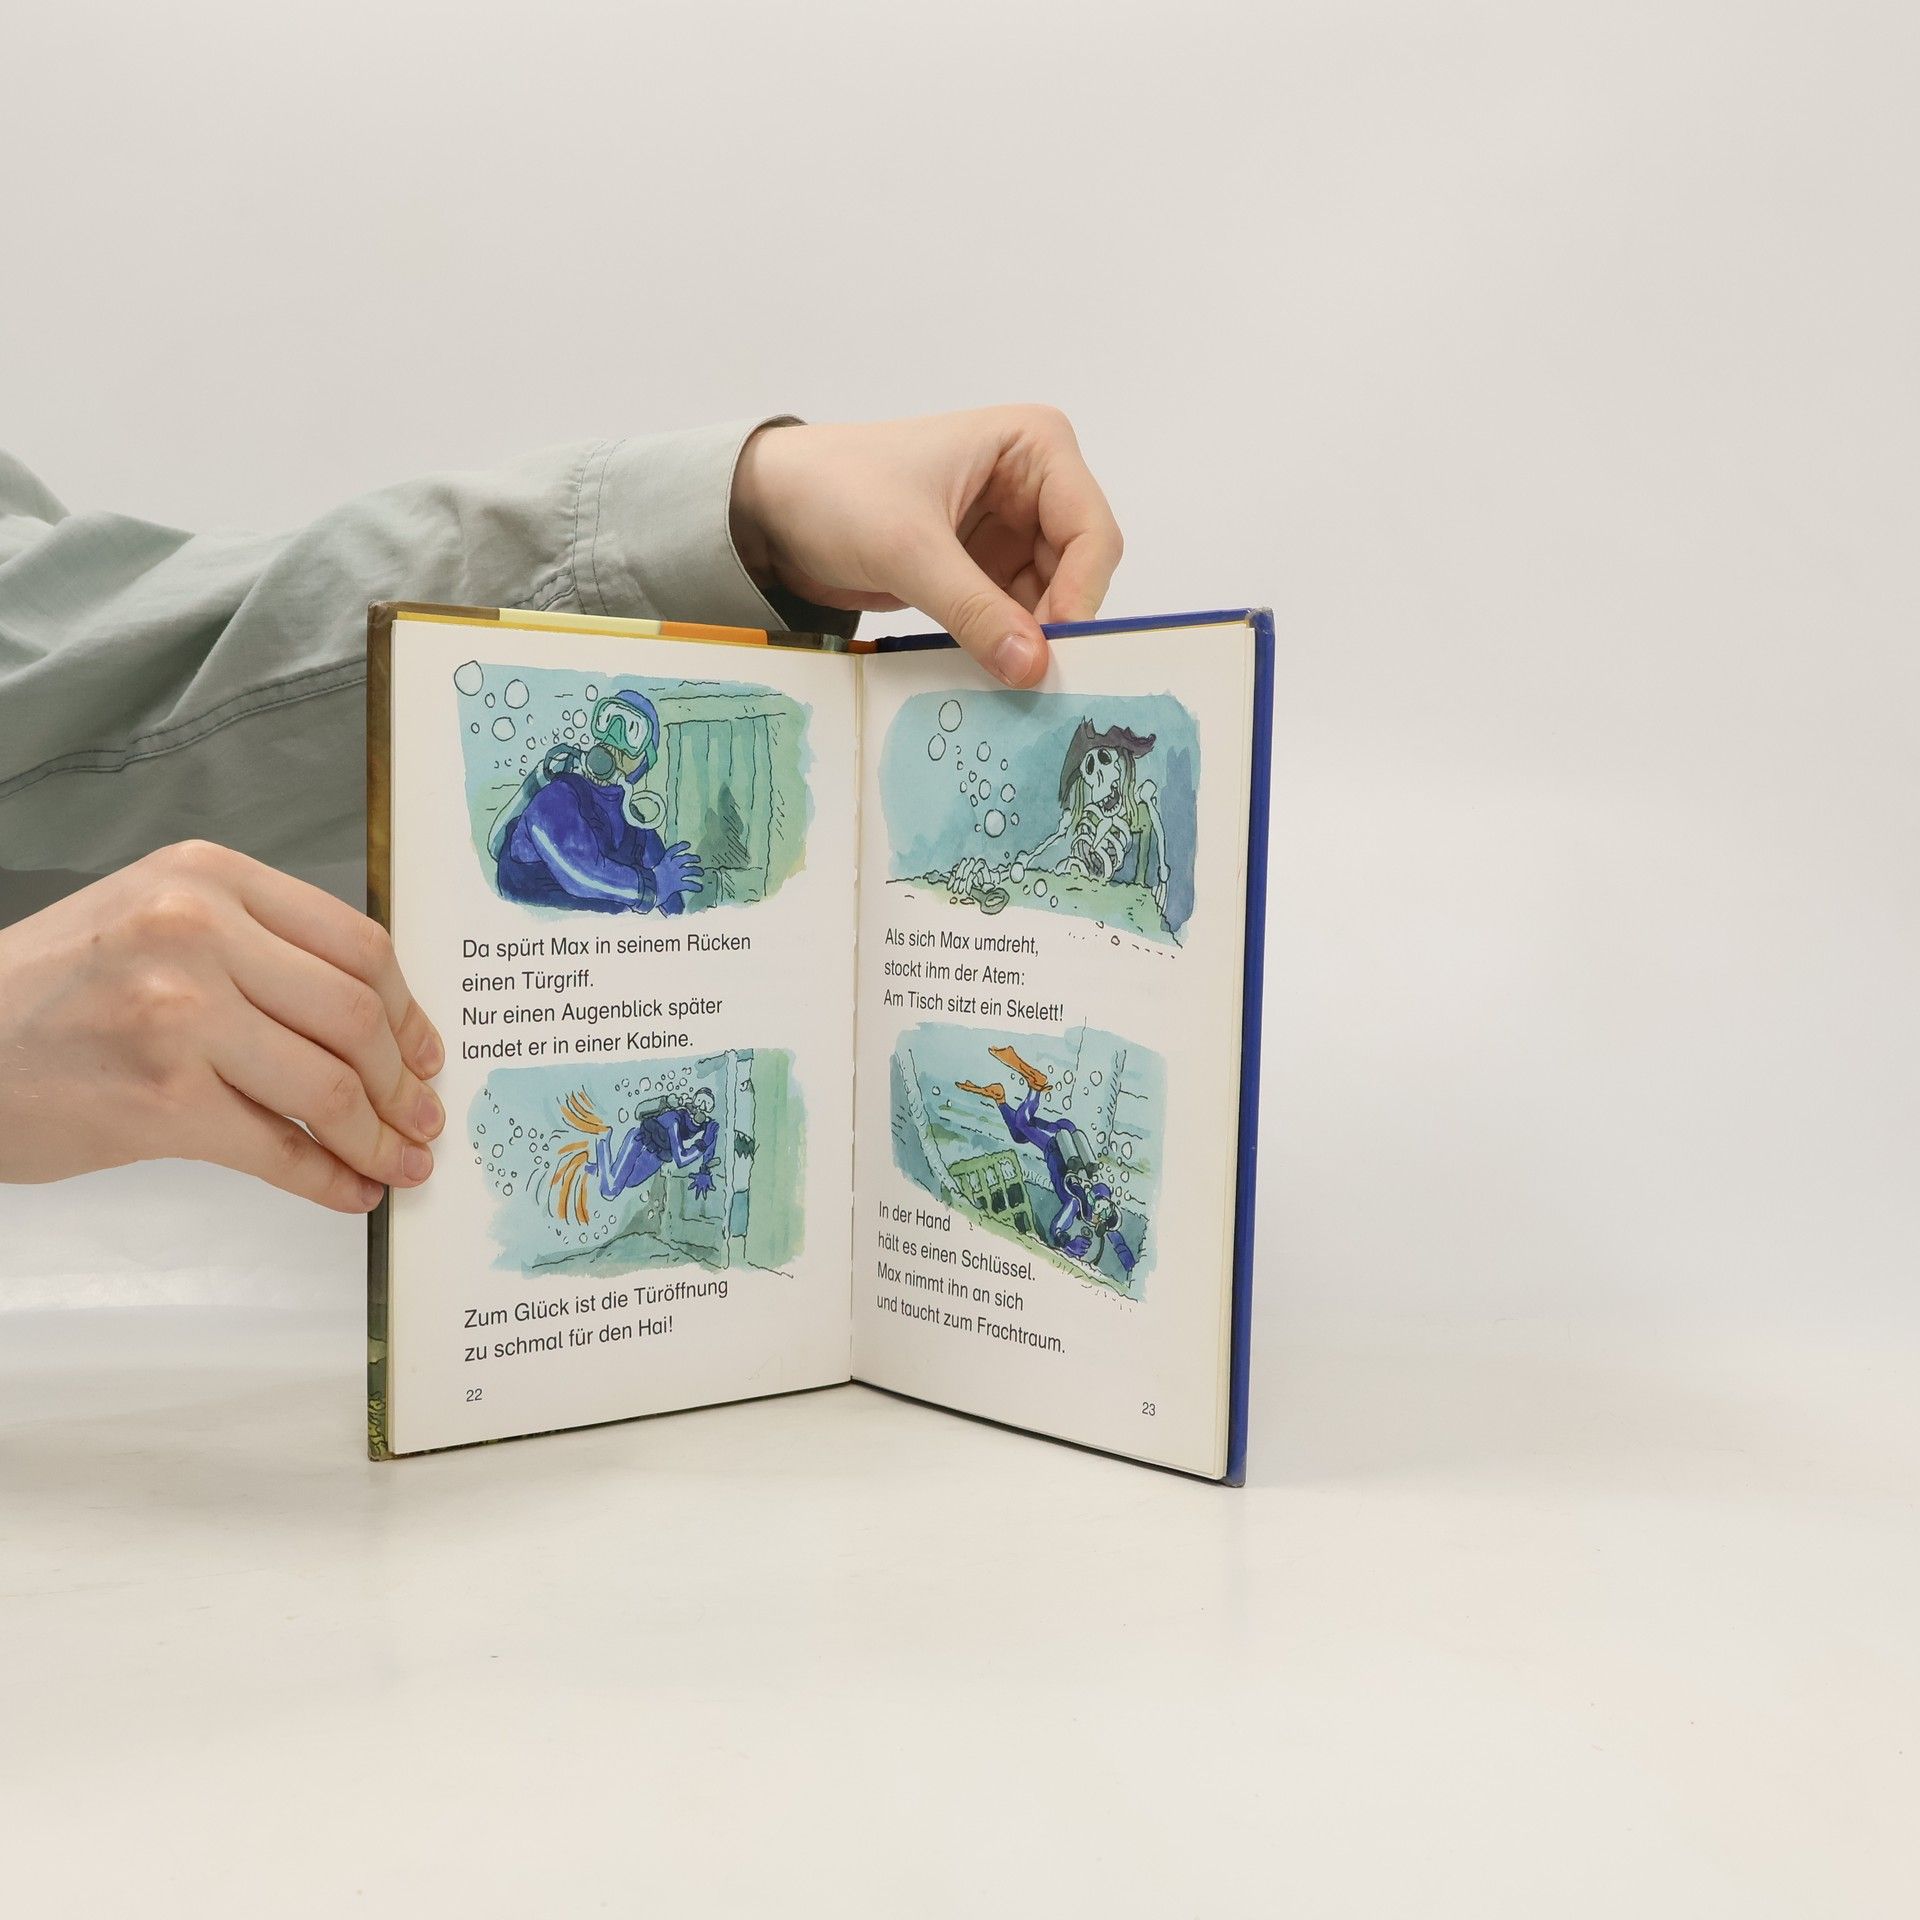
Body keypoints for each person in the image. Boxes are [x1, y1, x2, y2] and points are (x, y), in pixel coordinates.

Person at [0, 407, 1123, 1214]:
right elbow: (566, 857)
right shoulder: (558, 798)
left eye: (636, 748)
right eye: (620, 744)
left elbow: (80, 664)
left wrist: (741, 517)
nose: (627, 762)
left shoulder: (610, 798)